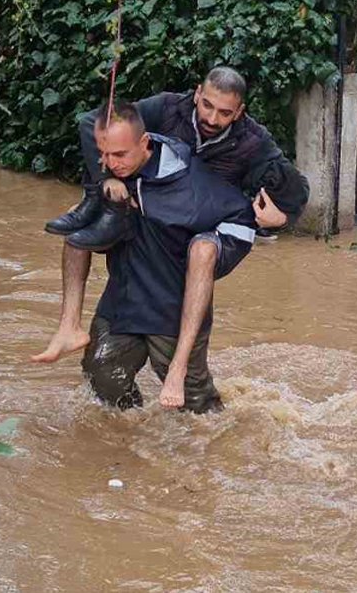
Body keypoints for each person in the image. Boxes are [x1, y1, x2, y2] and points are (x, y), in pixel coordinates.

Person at [32, 67, 308, 370]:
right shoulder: (165, 107)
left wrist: (282, 217)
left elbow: (296, 188)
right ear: (197, 94)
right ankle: (69, 326)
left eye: (225, 113)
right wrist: (105, 180)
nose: (212, 119)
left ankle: (181, 375)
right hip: (148, 218)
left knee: (199, 257)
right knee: (80, 219)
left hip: (198, 234)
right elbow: (92, 124)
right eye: (207, 106)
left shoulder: (252, 141)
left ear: (240, 112)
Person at [45, 100, 256, 412]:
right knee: (103, 379)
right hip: (122, 304)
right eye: (104, 154)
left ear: (144, 143)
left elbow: (242, 220)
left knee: (198, 412)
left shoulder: (190, 184)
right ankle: (132, 439)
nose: (110, 163)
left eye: (119, 155)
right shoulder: (108, 176)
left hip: (171, 312)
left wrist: (265, 220)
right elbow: (82, 237)